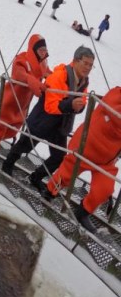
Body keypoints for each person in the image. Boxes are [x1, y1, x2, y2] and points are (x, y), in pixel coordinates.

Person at [1, 46, 93, 192]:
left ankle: (36, 177)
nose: (88, 68)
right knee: (24, 146)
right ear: (75, 61)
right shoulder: (58, 76)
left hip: (59, 126)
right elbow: (50, 106)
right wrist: (72, 105)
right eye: (85, 63)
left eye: (90, 65)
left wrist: (78, 107)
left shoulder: (83, 81)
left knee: (59, 156)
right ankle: (7, 165)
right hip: (42, 121)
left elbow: (81, 102)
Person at [45, 87, 121, 233]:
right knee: (64, 177)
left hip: (106, 162)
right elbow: (116, 116)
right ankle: (49, 192)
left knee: (105, 189)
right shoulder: (116, 95)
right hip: (84, 149)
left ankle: (83, 212)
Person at [0, 34, 50, 153]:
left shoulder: (42, 64)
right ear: (33, 49)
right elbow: (18, 73)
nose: (43, 53)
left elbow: (50, 74)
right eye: (40, 50)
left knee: (13, 131)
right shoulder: (22, 59)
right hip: (10, 101)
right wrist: (30, 79)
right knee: (0, 129)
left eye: (45, 50)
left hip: (22, 106)